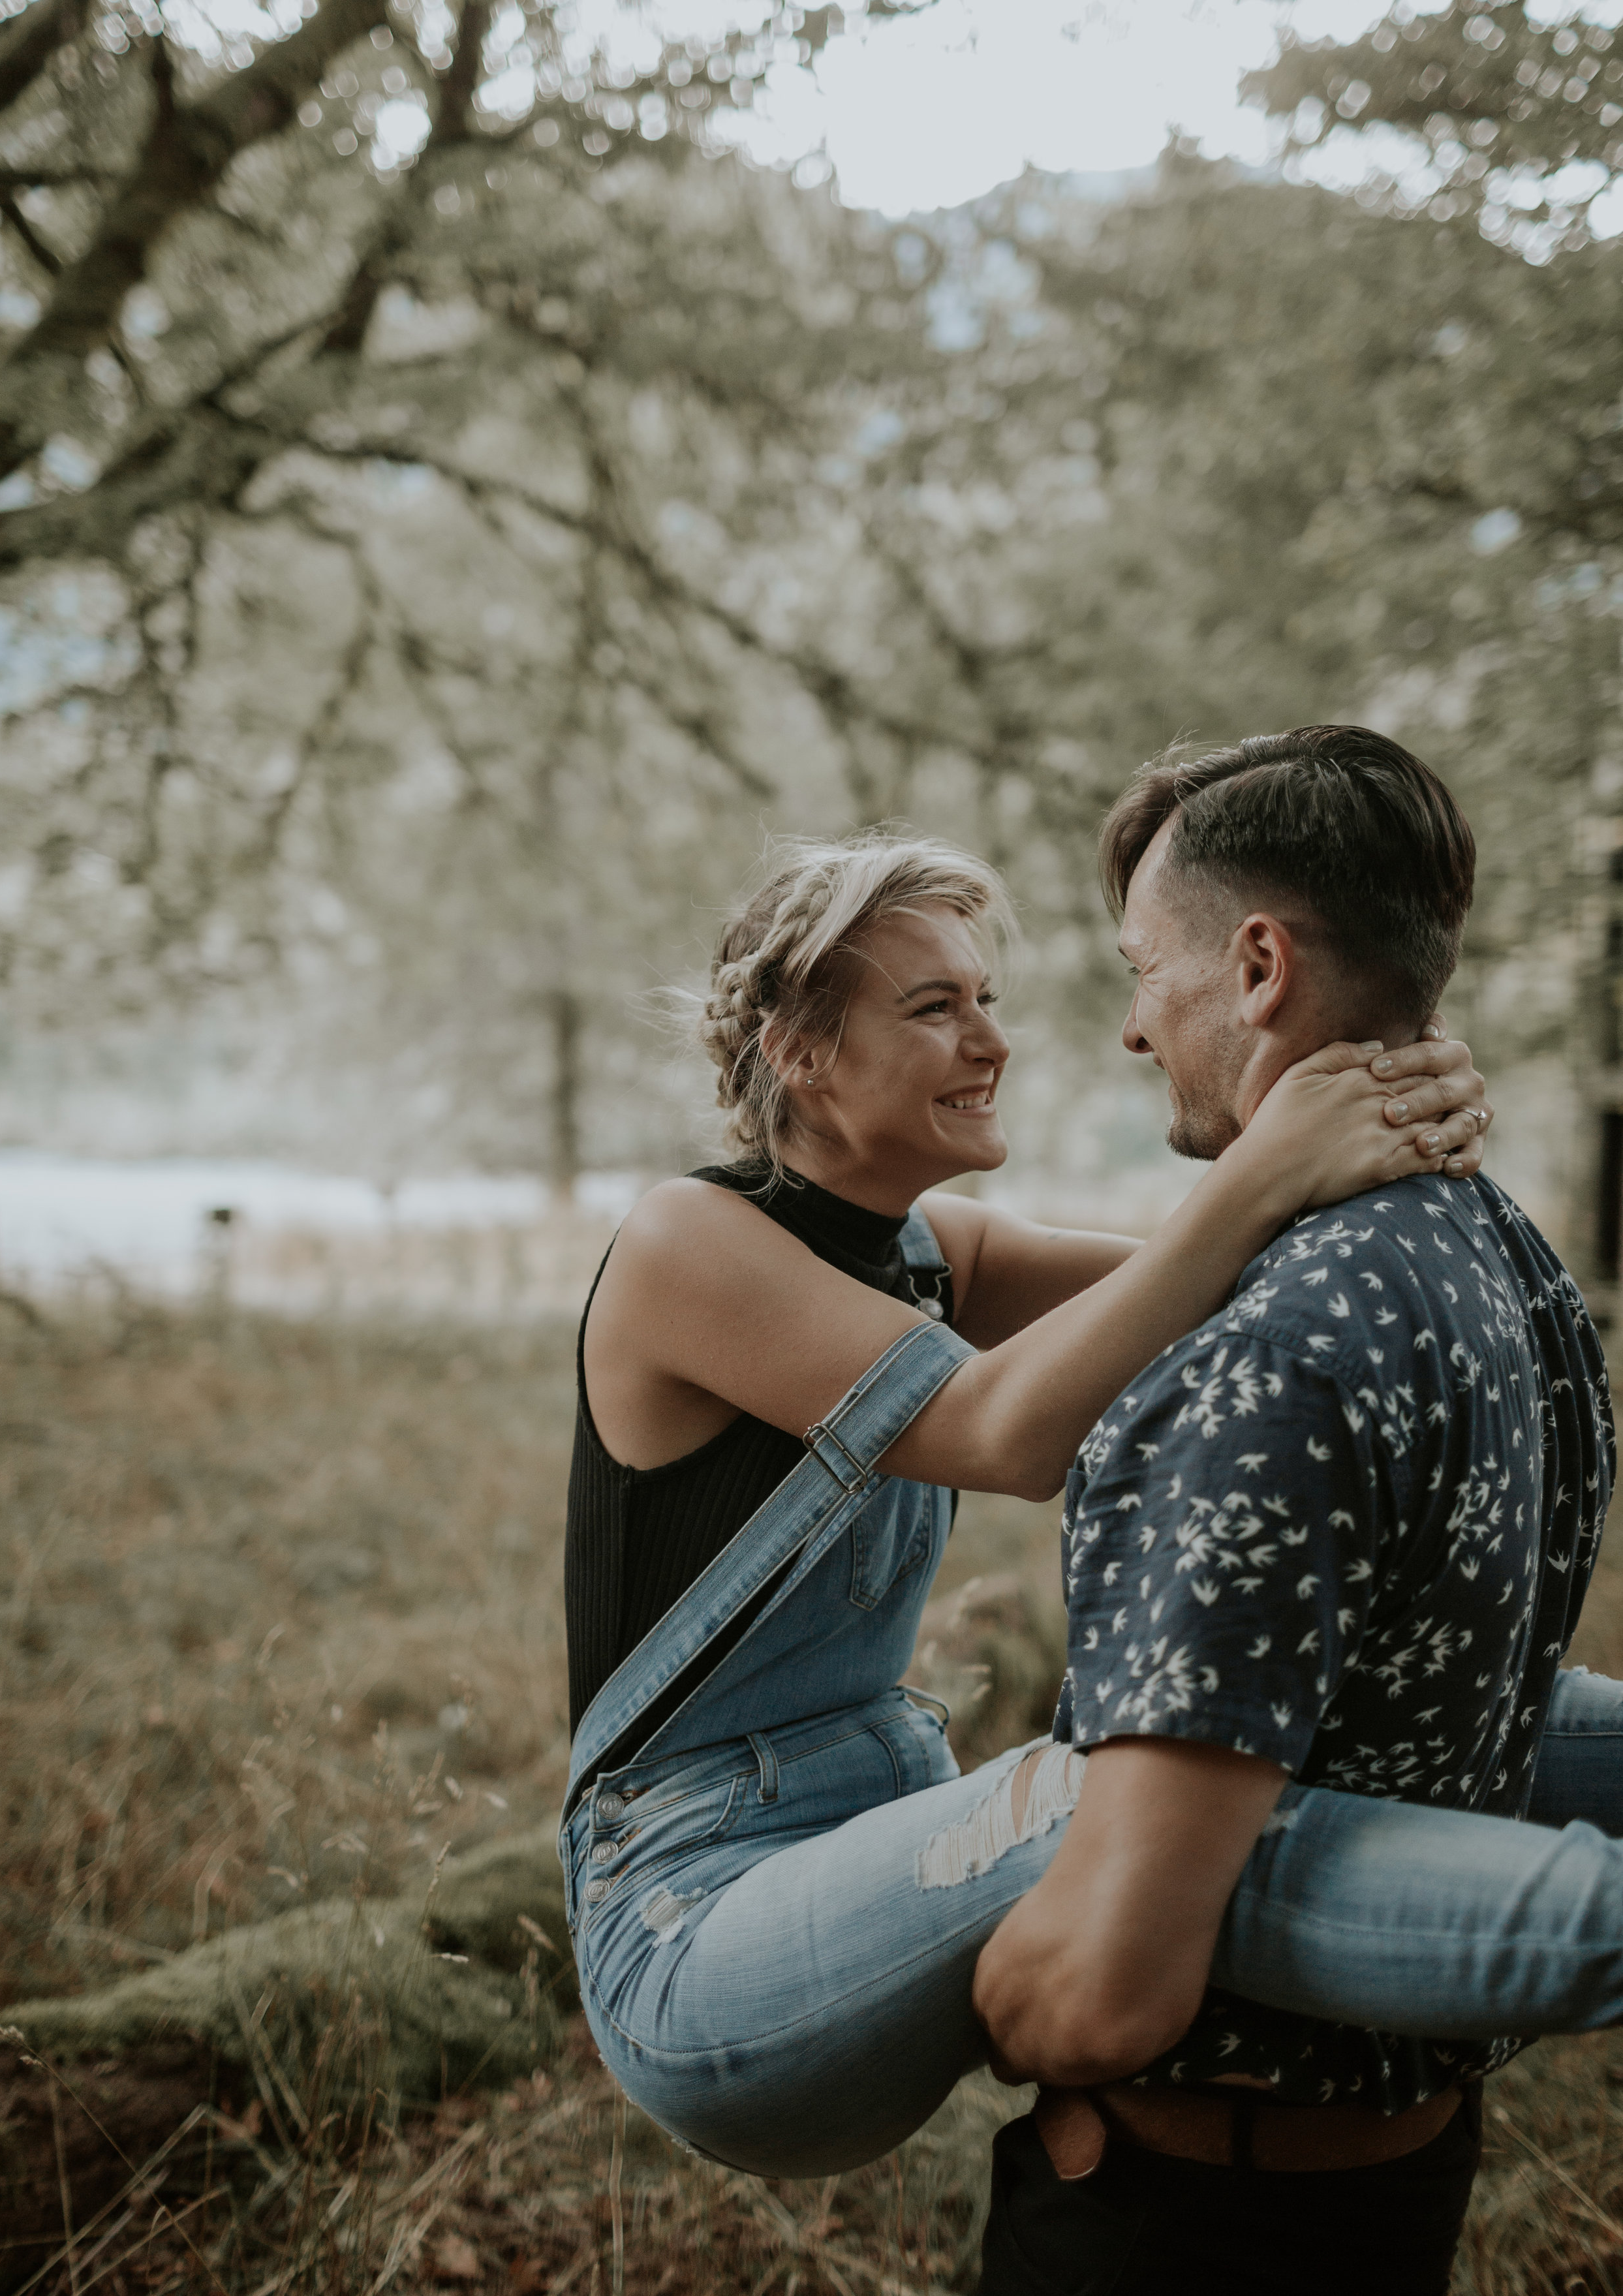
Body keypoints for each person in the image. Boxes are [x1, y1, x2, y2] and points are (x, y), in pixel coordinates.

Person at [560, 786, 1622, 2183]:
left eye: (985, 997)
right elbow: (1003, 1428)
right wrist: (1258, 1174)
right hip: (698, 1928)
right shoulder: (683, 1245)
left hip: (876, 1845)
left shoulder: (933, 1246)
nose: (993, 1041)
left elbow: (1246, 1302)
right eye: (935, 1008)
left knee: (1423, 1697)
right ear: (801, 1053)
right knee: (1113, 1804)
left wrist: (1380, 1096)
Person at [970, 728, 1613, 2295]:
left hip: (1183, 2223)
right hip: (1400, 2177)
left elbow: (1102, 1991)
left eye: (1144, 970)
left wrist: (960, 1980)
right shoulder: (1509, 1270)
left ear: (1257, 964)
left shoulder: (1266, 1364)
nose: (1132, 1028)